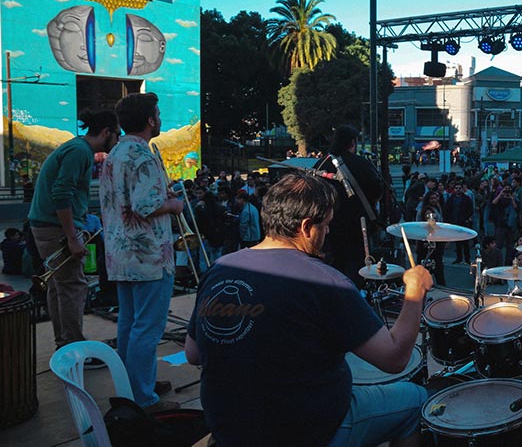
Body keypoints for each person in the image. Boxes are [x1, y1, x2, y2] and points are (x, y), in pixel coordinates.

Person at [185, 173, 433, 447]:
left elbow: (193, 353)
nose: (327, 233)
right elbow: (394, 359)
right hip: (306, 432)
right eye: (325, 225)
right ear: (305, 227)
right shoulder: (323, 280)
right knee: (415, 400)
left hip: (230, 430)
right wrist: (414, 292)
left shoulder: (220, 268)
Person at [99, 93, 181, 412]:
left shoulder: (116, 153)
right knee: (147, 329)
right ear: (150, 120)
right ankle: (144, 399)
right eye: (158, 114)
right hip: (148, 258)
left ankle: (133, 387)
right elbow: (145, 206)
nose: (160, 119)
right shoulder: (143, 155)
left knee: (129, 325)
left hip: (120, 255)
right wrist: (173, 204)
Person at [29, 110, 119, 352]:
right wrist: (71, 237)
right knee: (73, 286)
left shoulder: (76, 148)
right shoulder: (80, 152)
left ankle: (65, 344)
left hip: (46, 224)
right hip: (55, 228)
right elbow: (61, 193)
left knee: (60, 286)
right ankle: (74, 347)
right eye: (117, 135)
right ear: (106, 132)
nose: (118, 140)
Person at [321, 125, 385, 286]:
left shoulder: (322, 164)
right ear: (353, 142)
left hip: (329, 225)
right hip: (358, 223)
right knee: (357, 267)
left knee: (333, 265)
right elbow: (377, 190)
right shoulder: (361, 163)